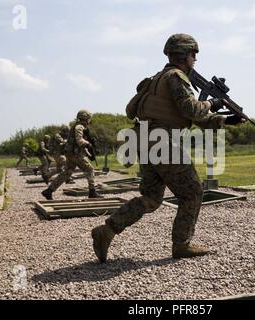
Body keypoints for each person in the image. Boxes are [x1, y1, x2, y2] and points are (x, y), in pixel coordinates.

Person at [90, 34, 244, 263]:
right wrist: (213, 103)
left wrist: (224, 120)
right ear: (184, 54)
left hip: (145, 141)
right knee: (192, 192)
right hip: (162, 143)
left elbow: (187, 114)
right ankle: (182, 245)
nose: (195, 60)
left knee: (151, 198)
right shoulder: (176, 77)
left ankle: (108, 230)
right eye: (193, 55)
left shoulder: (159, 78)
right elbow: (192, 109)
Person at [41, 109, 99, 200]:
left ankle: (49, 191)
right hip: (76, 154)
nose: (89, 120)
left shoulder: (77, 126)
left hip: (71, 154)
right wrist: (88, 144)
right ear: (85, 117)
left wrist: (89, 153)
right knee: (90, 170)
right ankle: (92, 192)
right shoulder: (79, 127)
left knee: (67, 173)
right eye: (88, 118)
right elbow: (79, 141)